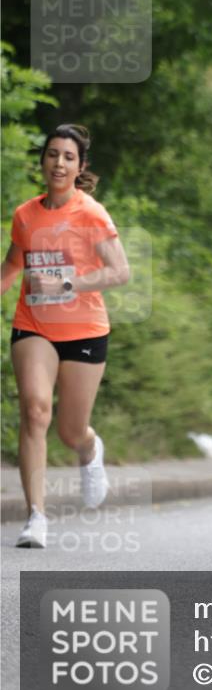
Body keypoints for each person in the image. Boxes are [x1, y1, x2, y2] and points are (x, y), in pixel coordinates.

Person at [1, 124, 130, 548]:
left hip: (84, 329)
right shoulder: (25, 215)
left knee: (70, 431)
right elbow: (13, 266)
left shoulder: (91, 213)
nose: (59, 163)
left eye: (68, 157)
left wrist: (69, 284)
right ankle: (35, 516)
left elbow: (119, 272)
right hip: (33, 324)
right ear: (43, 161)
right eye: (52, 154)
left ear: (80, 167)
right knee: (36, 411)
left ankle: (90, 451)